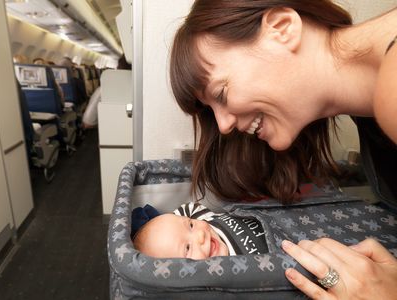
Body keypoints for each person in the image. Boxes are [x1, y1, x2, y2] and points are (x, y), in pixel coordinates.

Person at [169, 0, 397, 298]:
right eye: (212, 110)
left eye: (221, 93)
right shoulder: (370, 106)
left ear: (282, 28)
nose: (223, 126)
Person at [131, 203, 269, 259]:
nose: (200, 235)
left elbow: (184, 212)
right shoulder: (228, 277)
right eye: (187, 248)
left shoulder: (202, 217)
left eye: (191, 225)